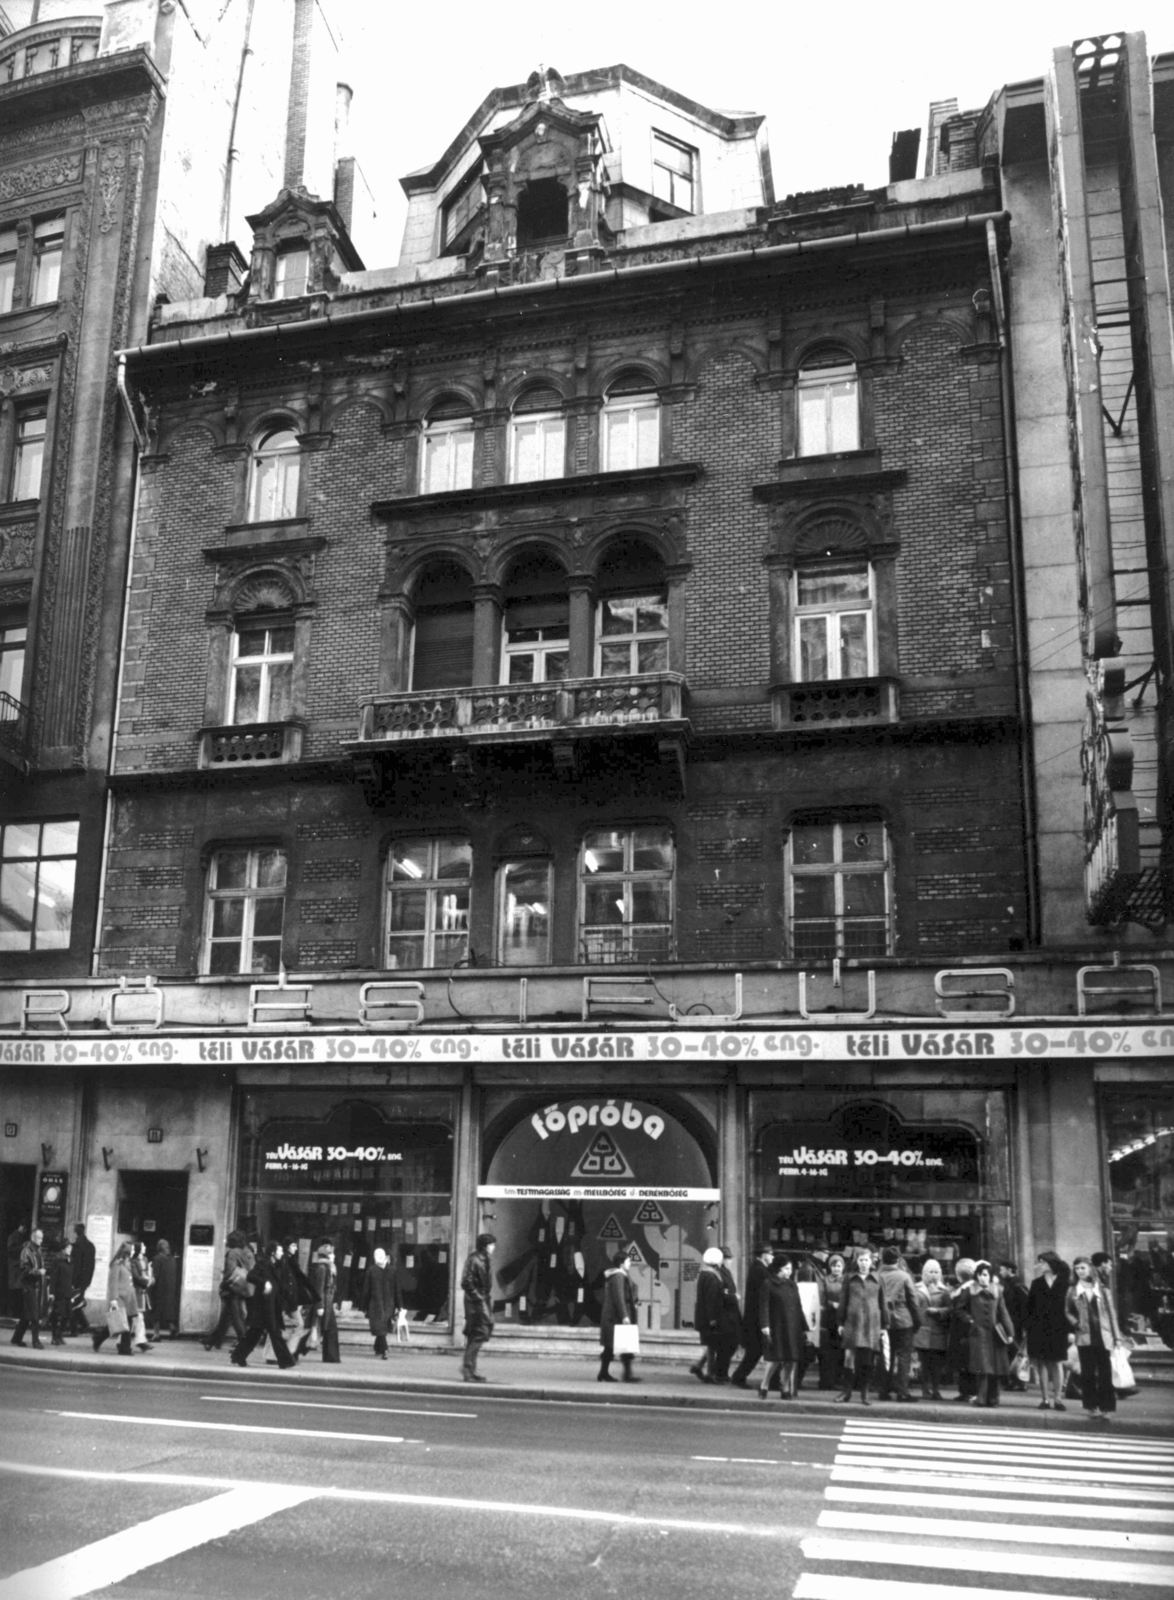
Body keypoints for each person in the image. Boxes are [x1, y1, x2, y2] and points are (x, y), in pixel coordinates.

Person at [1067, 1255, 1122, 1421]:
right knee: (1088, 1373)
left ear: (1090, 1268)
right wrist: (1076, 1323)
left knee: (1105, 1373)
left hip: (1103, 1336)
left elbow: (1112, 1314)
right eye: (1077, 1268)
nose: (1080, 1271)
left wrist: (1117, 1337)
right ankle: (1091, 1407)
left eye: (1083, 1268)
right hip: (1084, 1337)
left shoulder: (1103, 1289)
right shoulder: (1073, 1290)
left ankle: (1106, 1407)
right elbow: (1067, 1311)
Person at [957, 1260, 1015, 1407]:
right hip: (978, 1333)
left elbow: (1003, 1312)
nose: (982, 1278)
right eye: (980, 1275)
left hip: (995, 1334)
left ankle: (993, 1399)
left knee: (995, 1368)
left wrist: (1010, 1332)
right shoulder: (970, 1290)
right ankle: (981, 1398)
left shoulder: (998, 1290)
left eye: (985, 1275)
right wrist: (969, 1320)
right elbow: (959, 1309)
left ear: (990, 1276)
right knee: (982, 1367)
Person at [836, 1247, 888, 1405]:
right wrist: (840, 1322)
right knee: (849, 1357)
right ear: (856, 1261)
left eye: (866, 1260)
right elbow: (843, 1301)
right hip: (852, 1322)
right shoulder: (849, 1278)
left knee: (867, 1359)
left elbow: (883, 1302)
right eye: (861, 1260)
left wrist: (884, 1325)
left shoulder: (878, 1278)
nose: (864, 1263)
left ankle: (864, 1394)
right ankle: (846, 1392)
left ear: (871, 1261)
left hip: (871, 1324)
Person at [232, 1242, 296, 1369]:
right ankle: (286, 1361)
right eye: (280, 1251)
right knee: (274, 1332)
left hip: (271, 1304)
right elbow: (250, 1276)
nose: (282, 1253)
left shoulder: (277, 1265)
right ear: (273, 1252)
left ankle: (238, 1356)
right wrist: (264, 1282)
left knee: (255, 1332)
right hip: (264, 1305)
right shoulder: (264, 1264)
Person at [1025, 1250, 1070, 1410]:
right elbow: (1029, 1308)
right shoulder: (1036, 1283)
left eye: (1043, 1262)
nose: (1040, 1265)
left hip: (1059, 1328)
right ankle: (1045, 1399)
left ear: (1051, 1263)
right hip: (1038, 1328)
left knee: (1057, 1363)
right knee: (1042, 1363)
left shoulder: (1065, 1282)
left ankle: (1058, 1399)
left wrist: (1070, 1330)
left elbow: (1069, 1308)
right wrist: (1027, 1329)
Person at [877, 1245, 922, 1401]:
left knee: (885, 1356)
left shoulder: (876, 1275)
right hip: (904, 1321)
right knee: (904, 1357)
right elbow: (913, 1302)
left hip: (883, 1322)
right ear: (898, 1259)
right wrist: (917, 1322)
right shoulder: (904, 1276)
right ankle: (902, 1392)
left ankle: (884, 1390)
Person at [759, 1253, 807, 1400]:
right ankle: (764, 1384)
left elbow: (798, 1306)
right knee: (775, 1358)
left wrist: (804, 1327)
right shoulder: (768, 1284)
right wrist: (765, 1325)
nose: (789, 1271)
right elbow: (763, 1306)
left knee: (792, 1359)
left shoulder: (792, 1285)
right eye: (786, 1268)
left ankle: (785, 1387)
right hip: (777, 1325)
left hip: (793, 1326)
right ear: (779, 1269)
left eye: (790, 1268)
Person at [731, 1241, 775, 1388]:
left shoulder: (758, 1268)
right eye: (771, 1254)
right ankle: (739, 1377)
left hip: (754, 1318)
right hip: (757, 1319)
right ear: (764, 1255)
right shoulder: (760, 1271)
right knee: (757, 1352)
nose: (772, 1257)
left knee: (755, 1352)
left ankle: (739, 1377)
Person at [202, 1230, 254, 1351]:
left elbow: (231, 1271)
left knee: (236, 1317)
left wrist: (224, 1279)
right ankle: (214, 1340)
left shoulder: (232, 1253)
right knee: (227, 1316)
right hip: (243, 1288)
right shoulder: (248, 1252)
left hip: (231, 1289)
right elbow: (251, 1269)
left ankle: (245, 1343)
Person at [598, 1248, 640, 1383]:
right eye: (628, 1260)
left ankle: (622, 1374)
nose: (630, 1263)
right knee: (611, 1346)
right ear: (621, 1263)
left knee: (624, 1346)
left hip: (616, 1316)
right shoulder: (618, 1276)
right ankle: (605, 1373)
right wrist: (625, 1316)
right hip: (615, 1317)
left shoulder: (621, 1275)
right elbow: (619, 1297)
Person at [459, 1232, 496, 1381]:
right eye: (492, 1244)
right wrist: (479, 1299)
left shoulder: (485, 1259)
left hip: (481, 1300)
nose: (493, 1247)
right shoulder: (474, 1259)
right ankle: (468, 1368)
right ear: (485, 1246)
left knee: (477, 1334)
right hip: (476, 1303)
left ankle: (470, 1369)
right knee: (480, 1333)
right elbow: (466, 1282)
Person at [914, 1258, 951, 1400]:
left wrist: (938, 1311)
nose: (934, 1274)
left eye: (936, 1272)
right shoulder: (916, 1288)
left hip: (938, 1331)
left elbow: (950, 1309)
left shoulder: (945, 1291)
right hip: (922, 1331)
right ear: (924, 1273)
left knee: (936, 1364)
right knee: (924, 1363)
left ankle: (935, 1389)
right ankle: (924, 1389)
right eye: (931, 1271)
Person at [691, 1246, 729, 1384]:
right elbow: (712, 1299)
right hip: (710, 1317)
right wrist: (713, 1319)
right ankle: (710, 1374)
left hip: (704, 1316)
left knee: (712, 1345)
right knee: (713, 1346)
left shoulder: (704, 1273)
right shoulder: (712, 1276)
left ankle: (699, 1366)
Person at [92, 1243, 137, 1356]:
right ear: (127, 1251)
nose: (134, 1251)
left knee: (123, 1323)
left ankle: (98, 1339)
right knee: (122, 1323)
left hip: (129, 1299)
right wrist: (113, 1299)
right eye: (132, 1249)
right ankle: (124, 1348)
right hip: (121, 1298)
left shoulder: (127, 1263)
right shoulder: (117, 1264)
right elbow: (113, 1283)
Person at [281, 1236, 318, 1359]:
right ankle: (288, 1352)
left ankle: (284, 1353)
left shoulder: (290, 1260)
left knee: (290, 1326)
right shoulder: (286, 1261)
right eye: (293, 1245)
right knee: (297, 1325)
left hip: (290, 1299)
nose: (296, 1248)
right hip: (287, 1299)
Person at [362, 1245, 401, 1359]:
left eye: (380, 1255)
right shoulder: (372, 1270)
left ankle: (382, 1348)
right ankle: (383, 1349)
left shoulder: (391, 1270)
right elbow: (366, 1289)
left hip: (387, 1304)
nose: (378, 1257)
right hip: (376, 1304)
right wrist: (364, 1306)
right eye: (376, 1255)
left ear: (385, 1256)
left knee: (382, 1327)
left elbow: (397, 1289)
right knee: (380, 1327)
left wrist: (400, 1306)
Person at [11, 1227, 47, 1348]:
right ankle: (36, 1341)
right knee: (34, 1316)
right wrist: (38, 1272)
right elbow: (24, 1271)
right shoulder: (26, 1251)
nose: (41, 1240)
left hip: (36, 1288)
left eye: (42, 1238)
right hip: (30, 1288)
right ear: (33, 1237)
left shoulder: (38, 1250)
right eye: (39, 1238)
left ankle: (16, 1338)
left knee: (27, 1315)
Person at [948, 1258, 977, 1401]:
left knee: (966, 1362)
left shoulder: (966, 1289)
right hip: (965, 1330)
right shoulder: (966, 1288)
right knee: (965, 1362)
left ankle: (968, 1391)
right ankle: (966, 1391)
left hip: (964, 1330)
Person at [308, 1239, 340, 1363]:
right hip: (324, 1303)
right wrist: (319, 1305)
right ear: (327, 1255)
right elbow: (319, 1288)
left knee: (327, 1329)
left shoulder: (330, 1267)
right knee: (321, 1328)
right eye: (331, 1253)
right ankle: (295, 1350)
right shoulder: (323, 1268)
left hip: (328, 1302)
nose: (334, 1255)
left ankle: (331, 1357)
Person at [999, 1262, 1029, 1390]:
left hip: (1016, 1325)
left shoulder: (1017, 1285)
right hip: (1010, 1324)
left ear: (1009, 1270)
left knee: (1017, 1354)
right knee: (1012, 1353)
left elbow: (1026, 1307)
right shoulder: (1008, 1284)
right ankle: (1012, 1381)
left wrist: (1025, 1327)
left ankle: (1019, 1382)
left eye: (1002, 1269)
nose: (1000, 1272)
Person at [819, 1254, 846, 1391]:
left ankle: (838, 1378)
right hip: (829, 1317)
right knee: (829, 1350)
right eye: (834, 1266)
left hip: (843, 1317)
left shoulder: (847, 1280)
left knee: (841, 1349)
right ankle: (827, 1380)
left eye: (839, 1266)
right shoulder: (825, 1280)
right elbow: (821, 1298)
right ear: (830, 1267)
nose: (836, 1269)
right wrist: (831, 1303)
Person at [149, 1240, 180, 1339]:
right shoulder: (172, 1259)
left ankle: (156, 1334)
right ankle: (172, 1328)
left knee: (156, 1312)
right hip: (170, 1289)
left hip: (159, 1289)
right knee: (168, 1311)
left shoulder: (157, 1259)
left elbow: (155, 1275)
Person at [69, 1223, 96, 1335]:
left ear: (75, 1232)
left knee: (73, 1304)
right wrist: (88, 1281)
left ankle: (76, 1329)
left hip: (76, 1280)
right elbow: (91, 1266)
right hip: (85, 1280)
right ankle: (83, 1325)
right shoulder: (90, 1246)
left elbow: (75, 1267)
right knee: (77, 1303)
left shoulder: (76, 1247)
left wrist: (72, 1281)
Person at [46, 1236, 73, 1345]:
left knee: (67, 1315)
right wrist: (52, 1293)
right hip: (59, 1292)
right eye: (68, 1247)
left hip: (67, 1291)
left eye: (70, 1247)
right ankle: (54, 1337)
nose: (70, 1249)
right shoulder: (57, 1260)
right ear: (63, 1248)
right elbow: (54, 1277)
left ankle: (59, 1335)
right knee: (57, 1315)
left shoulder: (70, 1260)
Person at [129, 1241, 153, 1350]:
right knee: (137, 1317)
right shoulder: (133, 1262)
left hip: (142, 1292)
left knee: (137, 1318)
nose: (145, 1247)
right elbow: (136, 1277)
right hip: (136, 1292)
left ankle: (140, 1340)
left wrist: (150, 1279)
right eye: (143, 1246)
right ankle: (140, 1340)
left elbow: (146, 1274)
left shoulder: (145, 1259)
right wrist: (148, 1282)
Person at [6, 1222, 28, 1319]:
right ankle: (12, 1311)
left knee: (18, 1289)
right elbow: (10, 1250)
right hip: (14, 1266)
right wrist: (21, 1247)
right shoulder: (13, 1236)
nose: (25, 1230)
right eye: (24, 1228)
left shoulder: (21, 1236)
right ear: (21, 1226)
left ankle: (17, 1311)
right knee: (13, 1289)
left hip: (19, 1266)